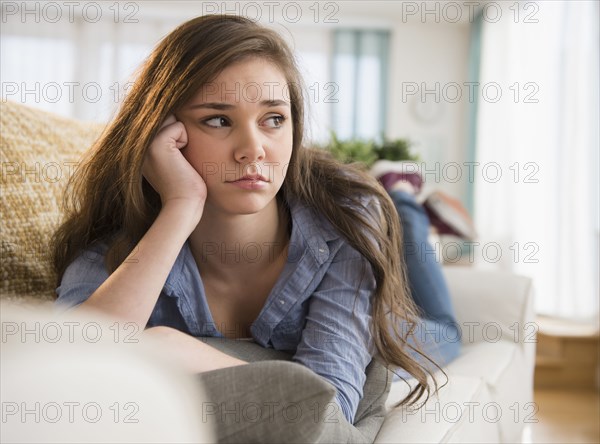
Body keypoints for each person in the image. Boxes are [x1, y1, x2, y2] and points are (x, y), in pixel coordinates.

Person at [52, 15, 460, 442]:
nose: (253, 150)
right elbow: (66, 368)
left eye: (273, 119)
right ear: (162, 134)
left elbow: (330, 417)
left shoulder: (346, 220)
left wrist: (164, 346)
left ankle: (405, 199)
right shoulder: (118, 248)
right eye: (218, 120)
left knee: (445, 334)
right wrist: (181, 205)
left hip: (379, 300)